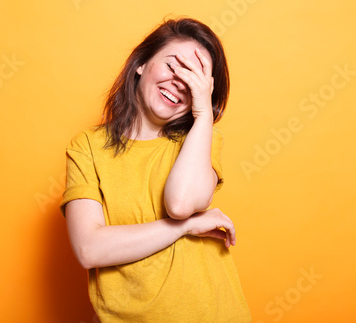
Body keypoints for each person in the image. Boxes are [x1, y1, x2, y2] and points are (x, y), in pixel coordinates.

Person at [60, 17, 251, 322]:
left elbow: (180, 204)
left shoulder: (202, 139)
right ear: (142, 63)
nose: (181, 82)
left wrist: (202, 115)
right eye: (174, 66)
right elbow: (89, 249)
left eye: (196, 78)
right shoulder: (88, 147)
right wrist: (186, 227)